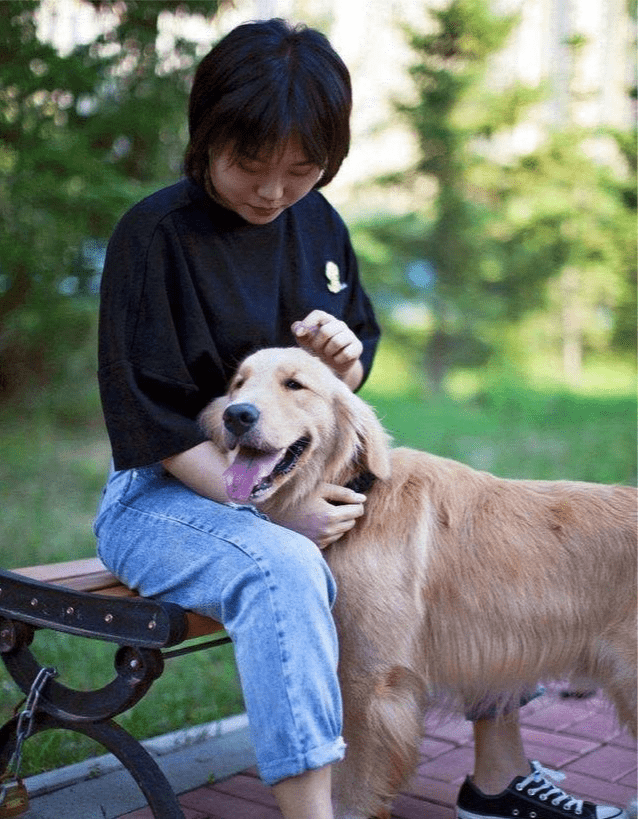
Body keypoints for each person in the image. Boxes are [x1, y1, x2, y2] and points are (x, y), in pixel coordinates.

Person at [94, 18, 628, 819]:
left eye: (302, 170)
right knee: (283, 566)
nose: (274, 191)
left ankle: (498, 778)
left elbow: (333, 386)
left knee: (469, 525)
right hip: (169, 494)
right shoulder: (155, 236)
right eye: (249, 164)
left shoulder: (321, 225)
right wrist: (270, 509)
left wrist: (343, 359)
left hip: (294, 476)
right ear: (206, 139)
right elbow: (152, 420)